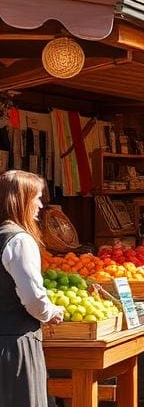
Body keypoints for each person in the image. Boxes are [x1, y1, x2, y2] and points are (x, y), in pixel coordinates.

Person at [0, 170, 64, 407]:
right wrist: (51, 312)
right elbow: (33, 298)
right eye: (36, 198)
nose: (39, 205)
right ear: (21, 200)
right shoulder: (19, 240)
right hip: (15, 345)